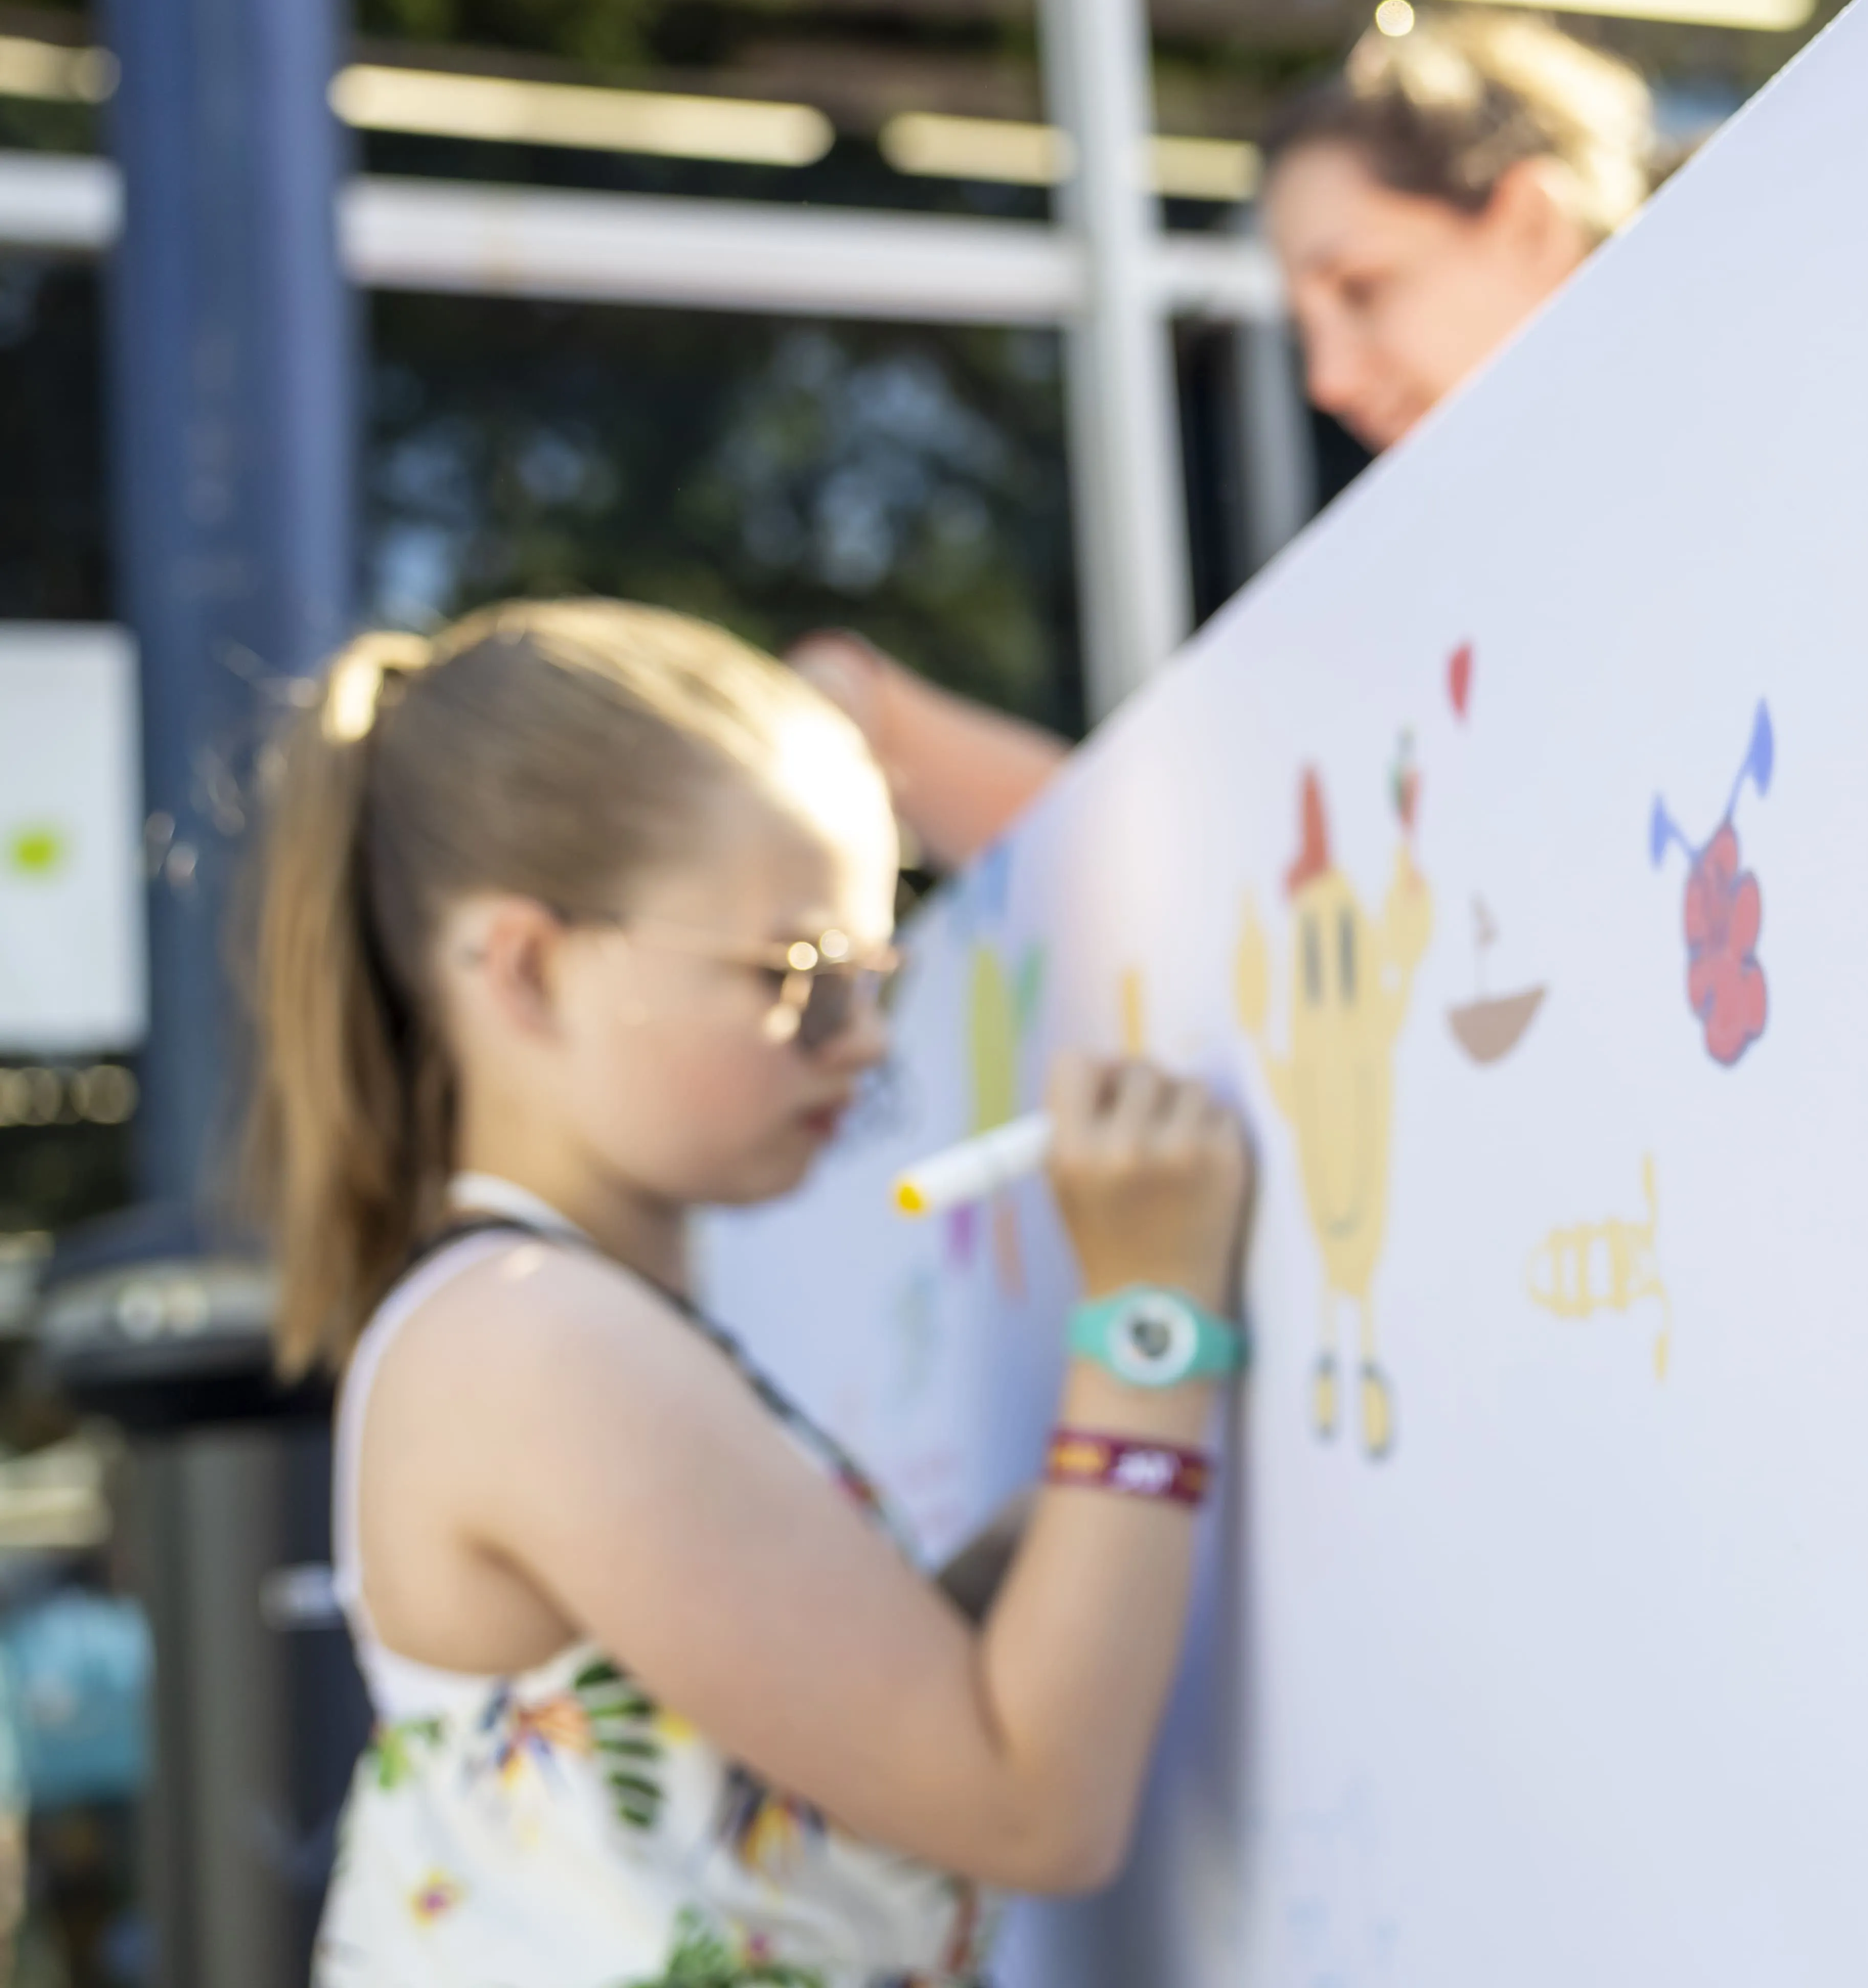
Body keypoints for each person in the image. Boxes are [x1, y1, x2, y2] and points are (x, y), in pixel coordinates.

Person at [243, 601, 1253, 1983]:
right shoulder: (533, 1344)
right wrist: (1150, 1319)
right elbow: (1031, 1805)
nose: (863, 1045)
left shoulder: (540, 1321)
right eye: (802, 981)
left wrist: (1070, 1525)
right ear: (527, 971)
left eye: (874, 980)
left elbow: (848, 1724)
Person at [792, 9, 1658, 866]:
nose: (1329, 380)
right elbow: (1196, 873)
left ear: (1531, 225)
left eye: (1362, 287)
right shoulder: (1431, 603)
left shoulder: (1721, 522)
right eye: (1302, 328)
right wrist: (877, 714)